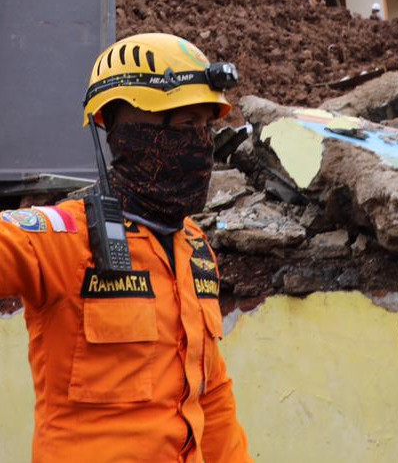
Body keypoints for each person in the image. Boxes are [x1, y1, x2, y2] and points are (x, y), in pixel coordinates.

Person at [0, 32, 251, 462]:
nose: (202, 144)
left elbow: (211, 397)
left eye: (206, 127)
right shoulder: (58, 239)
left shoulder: (195, 248)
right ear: (124, 130)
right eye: (184, 126)